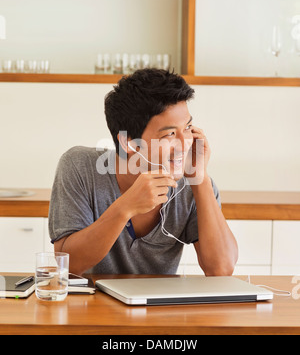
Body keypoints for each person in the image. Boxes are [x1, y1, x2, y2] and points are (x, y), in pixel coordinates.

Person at [49, 69, 238, 276]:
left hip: (158, 306)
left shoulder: (194, 184)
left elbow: (221, 270)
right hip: (92, 305)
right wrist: (125, 207)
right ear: (129, 142)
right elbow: (68, 264)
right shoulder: (79, 167)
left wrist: (199, 178)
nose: (185, 144)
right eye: (170, 134)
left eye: (188, 127)